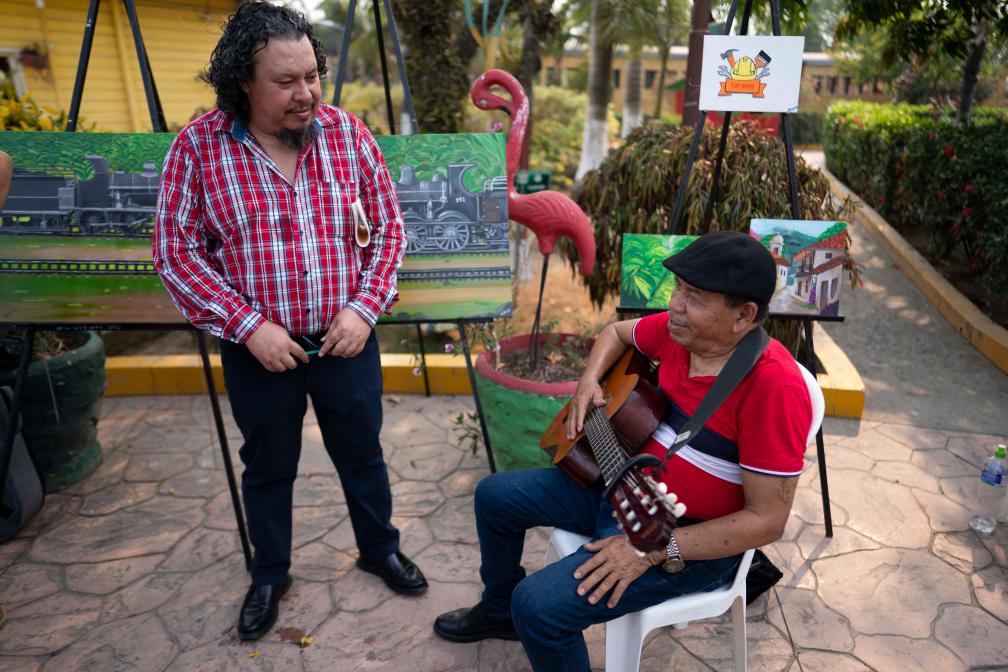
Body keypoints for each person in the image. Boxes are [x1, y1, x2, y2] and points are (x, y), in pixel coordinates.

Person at [153, 1, 426, 642]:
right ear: (242, 82)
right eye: (285, 81)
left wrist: (364, 310)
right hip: (258, 350)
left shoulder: (348, 134)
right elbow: (175, 252)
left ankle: (379, 549)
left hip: (346, 340)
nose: (306, 94)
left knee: (363, 454)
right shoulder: (198, 148)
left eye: (312, 76)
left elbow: (389, 231)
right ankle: (270, 573)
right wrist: (248, 326)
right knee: (268, 466)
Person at [433, 230, 812, 671]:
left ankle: (524, 615)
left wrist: (651, 549)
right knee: (495, 497)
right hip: (622, 483)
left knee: (538, 607)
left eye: (694, 297)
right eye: (678, 288)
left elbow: (767, 521)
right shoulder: (680, 333)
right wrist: (588, 381)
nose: (674, 305)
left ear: (743, 315)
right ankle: (498, 613)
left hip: (688, 537)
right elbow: (616, 333)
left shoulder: (775, 388)